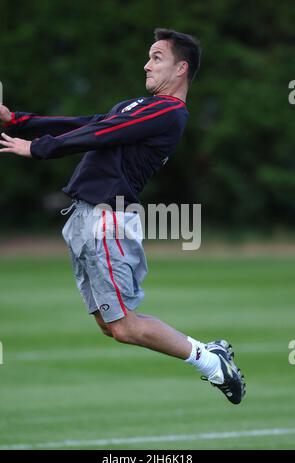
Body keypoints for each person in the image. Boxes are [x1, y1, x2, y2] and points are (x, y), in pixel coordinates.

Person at [0, 28, 245, 404]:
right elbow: (88, 124)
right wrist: (16, 120)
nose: (146, 64)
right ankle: (210, 356)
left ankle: (211, 362)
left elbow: (102, 134)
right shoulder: (141, 106)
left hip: (107, 221)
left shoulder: (169, 112)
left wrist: (38, 148)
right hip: (85, 218)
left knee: (125, 326)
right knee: (110, 327)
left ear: (181, 69)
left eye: (156, 57)